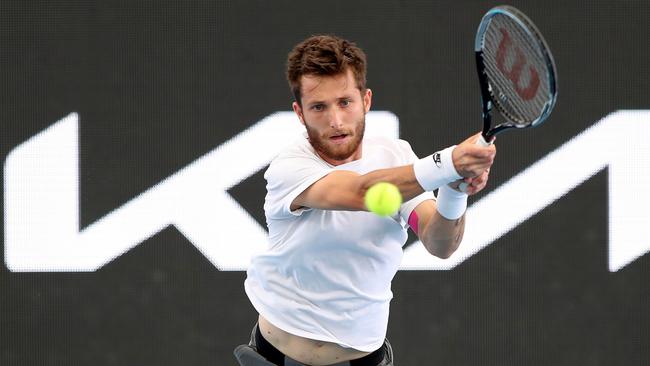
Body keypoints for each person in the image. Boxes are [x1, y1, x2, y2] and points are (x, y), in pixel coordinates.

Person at [234, 34, 495, 366]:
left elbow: (440, 243)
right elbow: (359, 192)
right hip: (276, 356)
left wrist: (455, 190)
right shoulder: (289, 167)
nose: (336, 121)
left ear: (366, 100)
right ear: (299, 113)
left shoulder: (395, 156)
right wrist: (448, 163)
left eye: (345, 102)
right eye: (318, 107)